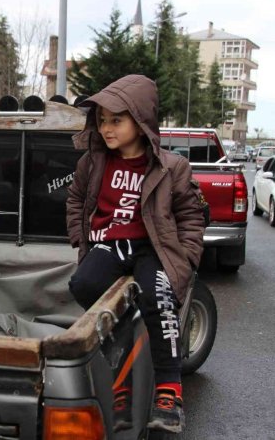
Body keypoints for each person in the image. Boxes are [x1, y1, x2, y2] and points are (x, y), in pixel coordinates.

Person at [66, 74, 205, 433]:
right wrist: (81, 241)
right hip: (108, 245)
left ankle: (169, 390)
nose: (107, 128)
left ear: (141, 122)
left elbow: (191, 216)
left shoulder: (170, 167)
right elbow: (76, 199)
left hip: (152, 248)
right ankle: (128, 345)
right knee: (83, 284)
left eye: (117, 119)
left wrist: (186, 258)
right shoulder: (94, 163)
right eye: (102, 121)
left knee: (159, 296)